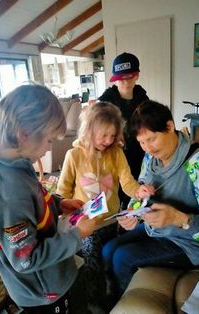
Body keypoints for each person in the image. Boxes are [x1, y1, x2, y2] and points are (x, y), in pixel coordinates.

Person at [0, 84, 97, 314]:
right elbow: (26, 259)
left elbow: (31, 201)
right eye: (49, 140)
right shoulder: (6, 193)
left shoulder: (14, 162)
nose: (49, 148)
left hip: (50, 278)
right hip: (43, 294)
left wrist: (57, 202)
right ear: (24, 135)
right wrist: (77, 235)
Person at [102, 99, 199, 297]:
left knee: (122, 257)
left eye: (152, 139)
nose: (148, 148)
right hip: (157, 230)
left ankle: (117, 302)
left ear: (170, 127)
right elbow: (140, 192)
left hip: (190, 243)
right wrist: (132, 211)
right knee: (108, 249)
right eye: (141, 142)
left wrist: (179, 219)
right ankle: (113, 296)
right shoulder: (150, 157)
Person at [56, 101, 154, 313]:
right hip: (86, 226)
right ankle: (95, 303)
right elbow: (62, 191)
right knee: (93, 266)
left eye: (113, 135)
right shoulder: (73, 156)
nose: (109, 140)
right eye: (103, 135)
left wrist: (138, 191)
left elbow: (127, 181)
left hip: (112, 220)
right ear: (89, 131)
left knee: (109, 261)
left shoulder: (116, 153)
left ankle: (113, 296)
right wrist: (66, 213)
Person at [98, 52, 149, 208]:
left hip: (138, 156)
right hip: (111, 155)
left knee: (134, 196)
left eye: (130, 77)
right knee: (109, 197)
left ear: (137, 76)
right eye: (121, 78)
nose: (125, 82)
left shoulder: (144, 101)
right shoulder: (104, 103)